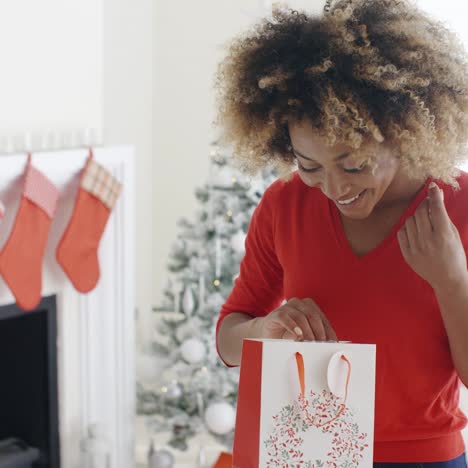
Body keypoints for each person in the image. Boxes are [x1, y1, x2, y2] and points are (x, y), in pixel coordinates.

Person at [213, 0, 468, 466]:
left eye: (355, 164)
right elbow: (229, 340)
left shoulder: (461, 206)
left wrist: (451, 280)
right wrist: (264, 330)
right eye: (308, 165)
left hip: (425, 459)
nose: (334, 188)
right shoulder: (284, 204)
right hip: (309, 451)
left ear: (402, 130)